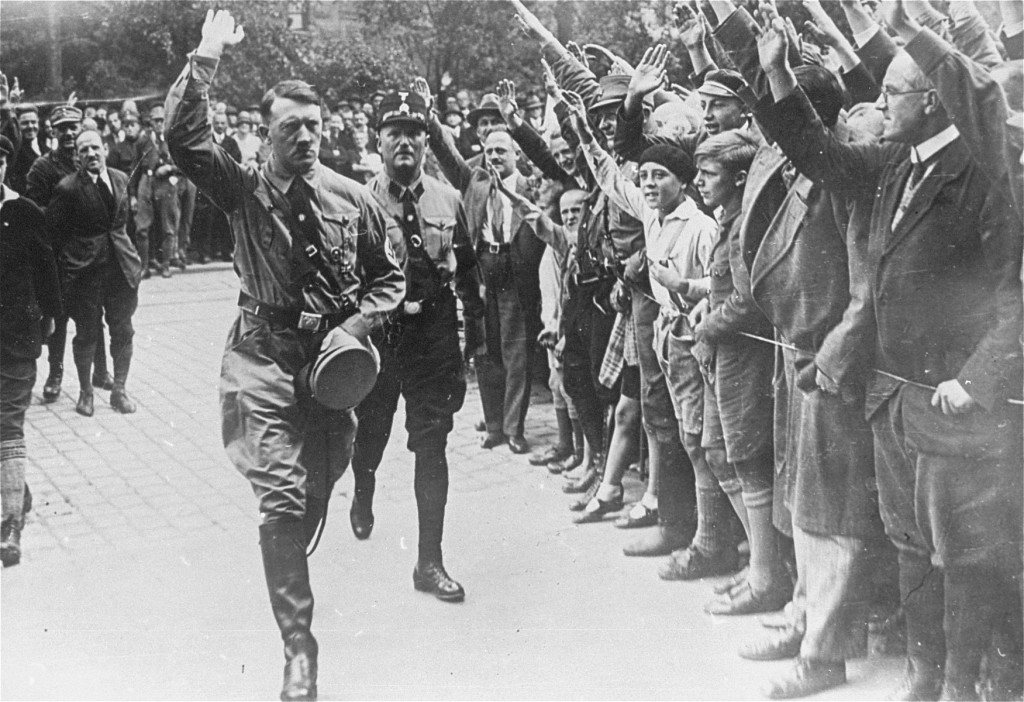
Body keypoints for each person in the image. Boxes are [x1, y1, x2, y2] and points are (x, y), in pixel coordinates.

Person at [758, 9, 1022, 699]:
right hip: (893, 399)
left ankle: (963, 684)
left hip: (955, 405)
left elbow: (1012, 297)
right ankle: (926, 676)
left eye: (891, 95)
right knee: (911, 550)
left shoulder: (985, 171)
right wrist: (778, 72)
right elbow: (819, 154)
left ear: (932, 97)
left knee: (962, 559)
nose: (876, 105)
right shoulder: (894, 166)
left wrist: (978, 378)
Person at [165, 10, 404, 700]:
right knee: (279, 493)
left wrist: (355, 325)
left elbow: (389, 277)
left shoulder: (352, 197)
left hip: (330, 368)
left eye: (314, 125)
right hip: (263, 358)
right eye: (290, 126)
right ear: (266, 131)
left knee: (315, 486)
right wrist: (207, 55)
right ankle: (300, 648)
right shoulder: (241, 188)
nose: (306, 137)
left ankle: (308, 522)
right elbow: (183, 138)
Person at [351, 89, 485, 602]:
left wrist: (471, 330)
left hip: (432, 336)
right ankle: (363, 488)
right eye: (394, 133)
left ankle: (429, 561)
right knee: (373, 432)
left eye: (414, 133)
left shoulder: (447, 198)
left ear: (427, 142)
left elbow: (467, 266)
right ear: (379, 142)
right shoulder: (362, 200)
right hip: (384, 336)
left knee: (432, 443)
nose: (404, 142)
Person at [427, 91, 545, 455]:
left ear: (515, 156)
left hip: (515, 273)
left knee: (516, 355)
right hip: (482, 275)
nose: (494, 157)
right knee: (485, 352)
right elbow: (447, 155)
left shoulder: (531, 188)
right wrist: (431, 120)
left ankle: (514, 429)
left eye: (502, 151)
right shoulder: (474, 182)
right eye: (490, 151)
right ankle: (493, 426)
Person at [46, 130, 143, 417]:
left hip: (120, 270)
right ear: (77, 156)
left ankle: (119, 390)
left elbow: (127, 226)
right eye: (84, 150)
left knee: (122, 329)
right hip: (86, 272)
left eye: (95, 148)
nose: (91, 154)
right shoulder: (67, 188)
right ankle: (86, 392)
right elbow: (55, 233)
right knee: (86, 333)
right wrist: (71, 264)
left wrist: (133, 258)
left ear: (105, 149)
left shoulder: (121, 179)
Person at [0, 135, 63, 567]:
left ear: (5, 166)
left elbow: (47, 270)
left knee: (7, 423)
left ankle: (9, 525)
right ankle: (17, 492)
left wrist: (52, 318)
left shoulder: (24, 212)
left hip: (17, 338)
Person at [26, 104, 112, 401]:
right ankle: (55, 373)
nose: (68, 133)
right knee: (58, 315)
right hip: (58, 255)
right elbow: (34, 211)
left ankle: (100, 372)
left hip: (91, 254)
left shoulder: (89, 162)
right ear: (52, 131)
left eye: (73, 127)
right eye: (62, 128)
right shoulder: (43, 168)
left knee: (94, 311)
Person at [134, 104, 186, 278]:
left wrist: (169, 169)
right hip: (146, 181)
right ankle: (144, 266)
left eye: (162, 120)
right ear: (150, 122)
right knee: (142, 227)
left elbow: (183, 164)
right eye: (155, 120)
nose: (159, 124)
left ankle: (165, 264)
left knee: (168, 226)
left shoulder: (173, 140)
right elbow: (134, 168)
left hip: (166, 183)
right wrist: (133, 195)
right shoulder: (143, 140)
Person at [7, 104, 46, 194]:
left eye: (33, 122)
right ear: (17, 125)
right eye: (25, 123)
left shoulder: (44, 147)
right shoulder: (15, 150)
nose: (30, 126)